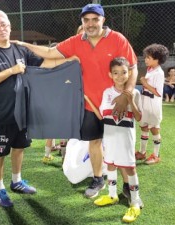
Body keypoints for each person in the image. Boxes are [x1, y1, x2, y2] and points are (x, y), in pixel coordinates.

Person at [11, 3, 138, 198]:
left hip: (115, 105)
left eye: (95, 19)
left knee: (118, 145)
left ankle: (128, 187)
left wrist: (126, 95)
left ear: (103, 20)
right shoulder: (76, 41)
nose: (90, 24)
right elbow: (50, 52)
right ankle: (98, 180)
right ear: (82, 22)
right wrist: (24, 44)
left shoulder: (117, 39)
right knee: (94, 142)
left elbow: (133, 67)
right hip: (89, 105)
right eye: (86, 20)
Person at [0, 9, 77, 207]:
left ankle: (16, 181)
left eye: (4, 24)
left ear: (10, 26)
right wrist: (12, 70)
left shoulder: (20, 50)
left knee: (19, 147)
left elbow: (44, 63)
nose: (1, 29)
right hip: (2, 114)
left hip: (23, 111)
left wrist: (71, 60)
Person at [85, 57, 143, 223]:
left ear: (129, 73)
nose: (120, 76)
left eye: (124, 72)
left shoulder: (135, 93)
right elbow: (103, 114)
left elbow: (139, 117)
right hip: (110, 137)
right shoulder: (107, 93)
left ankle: (135, 202)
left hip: (126, 139)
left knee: (130, 168)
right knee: (110, 164)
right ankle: (112, 196)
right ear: (110, 74)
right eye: (116, 73)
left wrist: (130, 99)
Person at [135, 44, 169, 164]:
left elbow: (158, 92)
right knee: (144, 126)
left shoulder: (159, 73)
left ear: (157, 59)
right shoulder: (150, 69)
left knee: (154, 129)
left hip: (153, 105)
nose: (146, 59)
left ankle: (156, 155)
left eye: (149, 57)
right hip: (145, 103)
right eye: (146, 57)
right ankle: (142, 152)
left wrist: (144, 83)